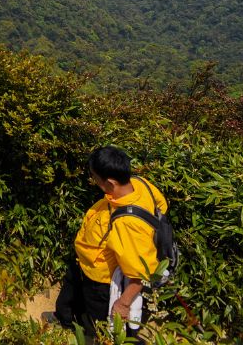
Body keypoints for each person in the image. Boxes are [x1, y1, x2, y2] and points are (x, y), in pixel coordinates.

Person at [55, 146, 168, 341]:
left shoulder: (128, 224)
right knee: (75, 294)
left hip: (101, 280)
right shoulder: (139, 184)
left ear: (109, 182)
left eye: (94, 177)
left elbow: (140, 273)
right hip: (87, 263)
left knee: (99, 325)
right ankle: (69, 320)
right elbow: (162, 207)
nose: (93, 180)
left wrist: (122, 304)